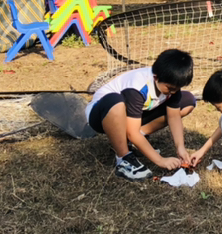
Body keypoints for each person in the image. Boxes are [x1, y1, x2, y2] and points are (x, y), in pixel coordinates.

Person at [84, 48, 196, 181]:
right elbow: (132, 132)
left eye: (176, 89)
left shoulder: (170, 84)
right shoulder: (137, 87)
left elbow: (174, 116)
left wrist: (180, 147)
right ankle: (124, 158)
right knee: (115, 101)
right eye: (170, 88)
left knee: (187, 100)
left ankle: (137, 141)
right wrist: (160, 160)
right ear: (156, 77)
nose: (173, 92)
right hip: (102, 114)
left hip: (132, 115)